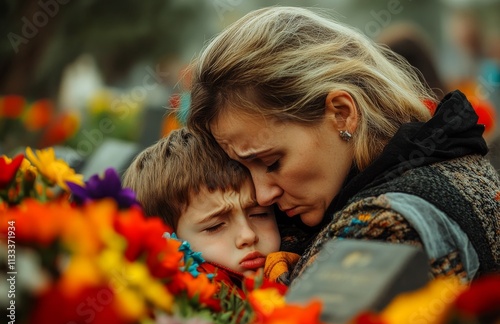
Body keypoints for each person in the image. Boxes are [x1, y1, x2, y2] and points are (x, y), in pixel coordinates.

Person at [187, 6, 500, 283]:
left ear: (342, 114)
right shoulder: (431, 159)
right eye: (243, 167)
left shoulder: (386, 229)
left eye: (271, 162)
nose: (262, 194)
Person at [122, 127, 299, 295]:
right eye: (215, 226)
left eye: (260, 214)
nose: (248, 235)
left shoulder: (291, 264)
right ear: (169, 243)